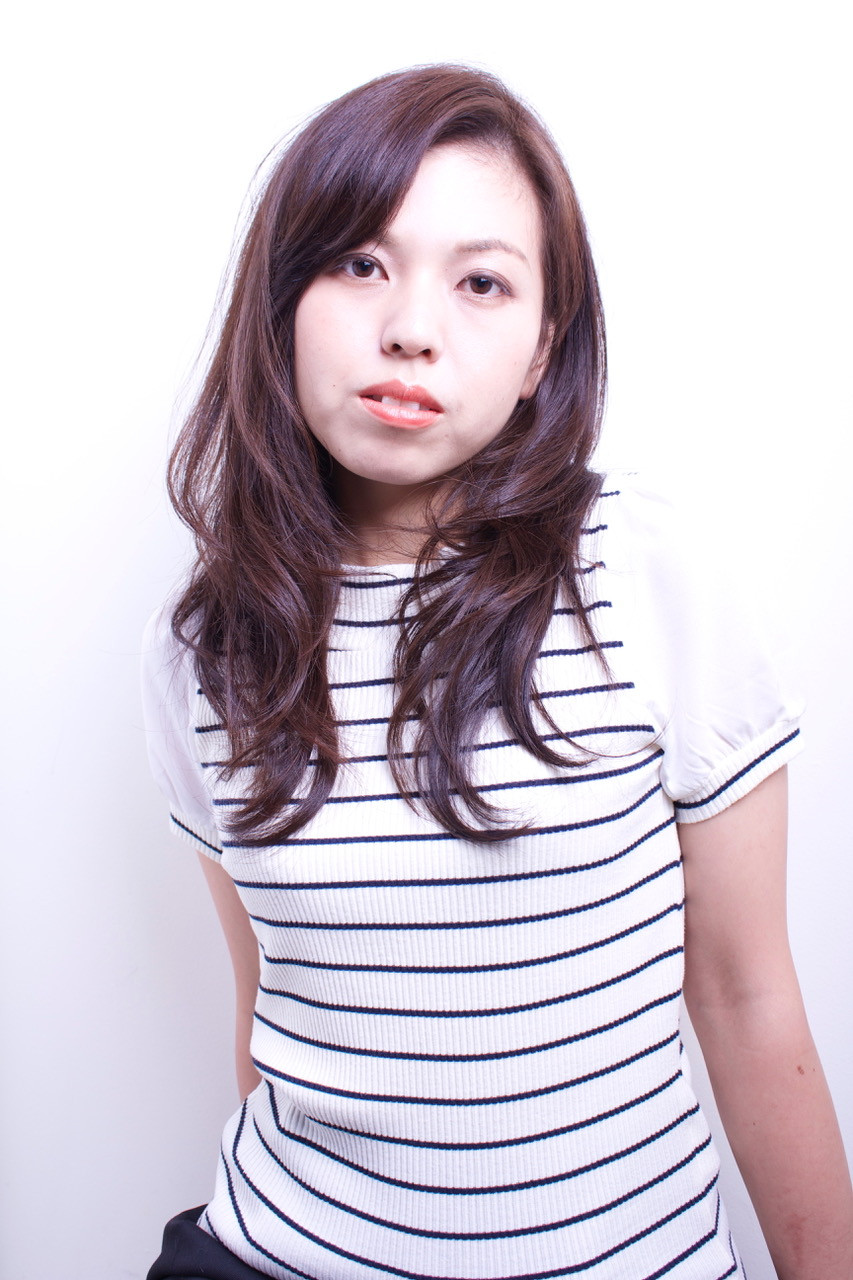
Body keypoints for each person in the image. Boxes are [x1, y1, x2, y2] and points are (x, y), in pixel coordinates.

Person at [141, 64, 853, 1280]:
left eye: (481, 282)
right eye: (359, 262)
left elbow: (744, 993)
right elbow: (270, 1009)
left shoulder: (637, 569)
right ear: (282, 302)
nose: (412, 326)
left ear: (539, 352)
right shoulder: (207, 644)